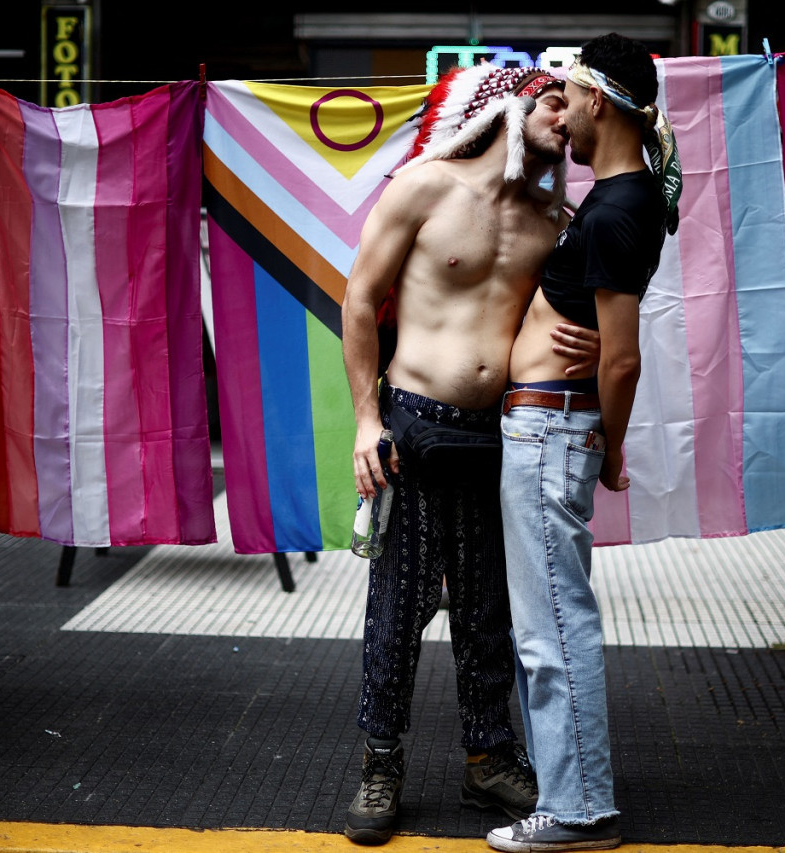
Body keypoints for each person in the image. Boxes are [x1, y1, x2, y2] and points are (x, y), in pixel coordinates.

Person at [340, 64, 597, 845]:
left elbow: (565, 322)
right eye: (555, 99)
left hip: (501, 433)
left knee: (491, 610)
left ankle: (488, 755)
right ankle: (380, 762)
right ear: (509, 110)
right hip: (412, 427)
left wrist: (585, 347)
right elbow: (357, 298)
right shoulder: (425, 187)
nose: (567, 117)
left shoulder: (557, 219)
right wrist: (363, 420)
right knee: (400, 608)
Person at [487, 33, 681, 853]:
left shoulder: (618, 206)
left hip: (551, 431)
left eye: (564, 94)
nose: (553, 110)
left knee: (554, 630)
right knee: (548, 626)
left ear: (600, 101)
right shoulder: (613, 199)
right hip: (548, 425)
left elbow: (625, 354)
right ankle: (568, 788)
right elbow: (607, 336)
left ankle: (578, 809)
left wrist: (609, 445)